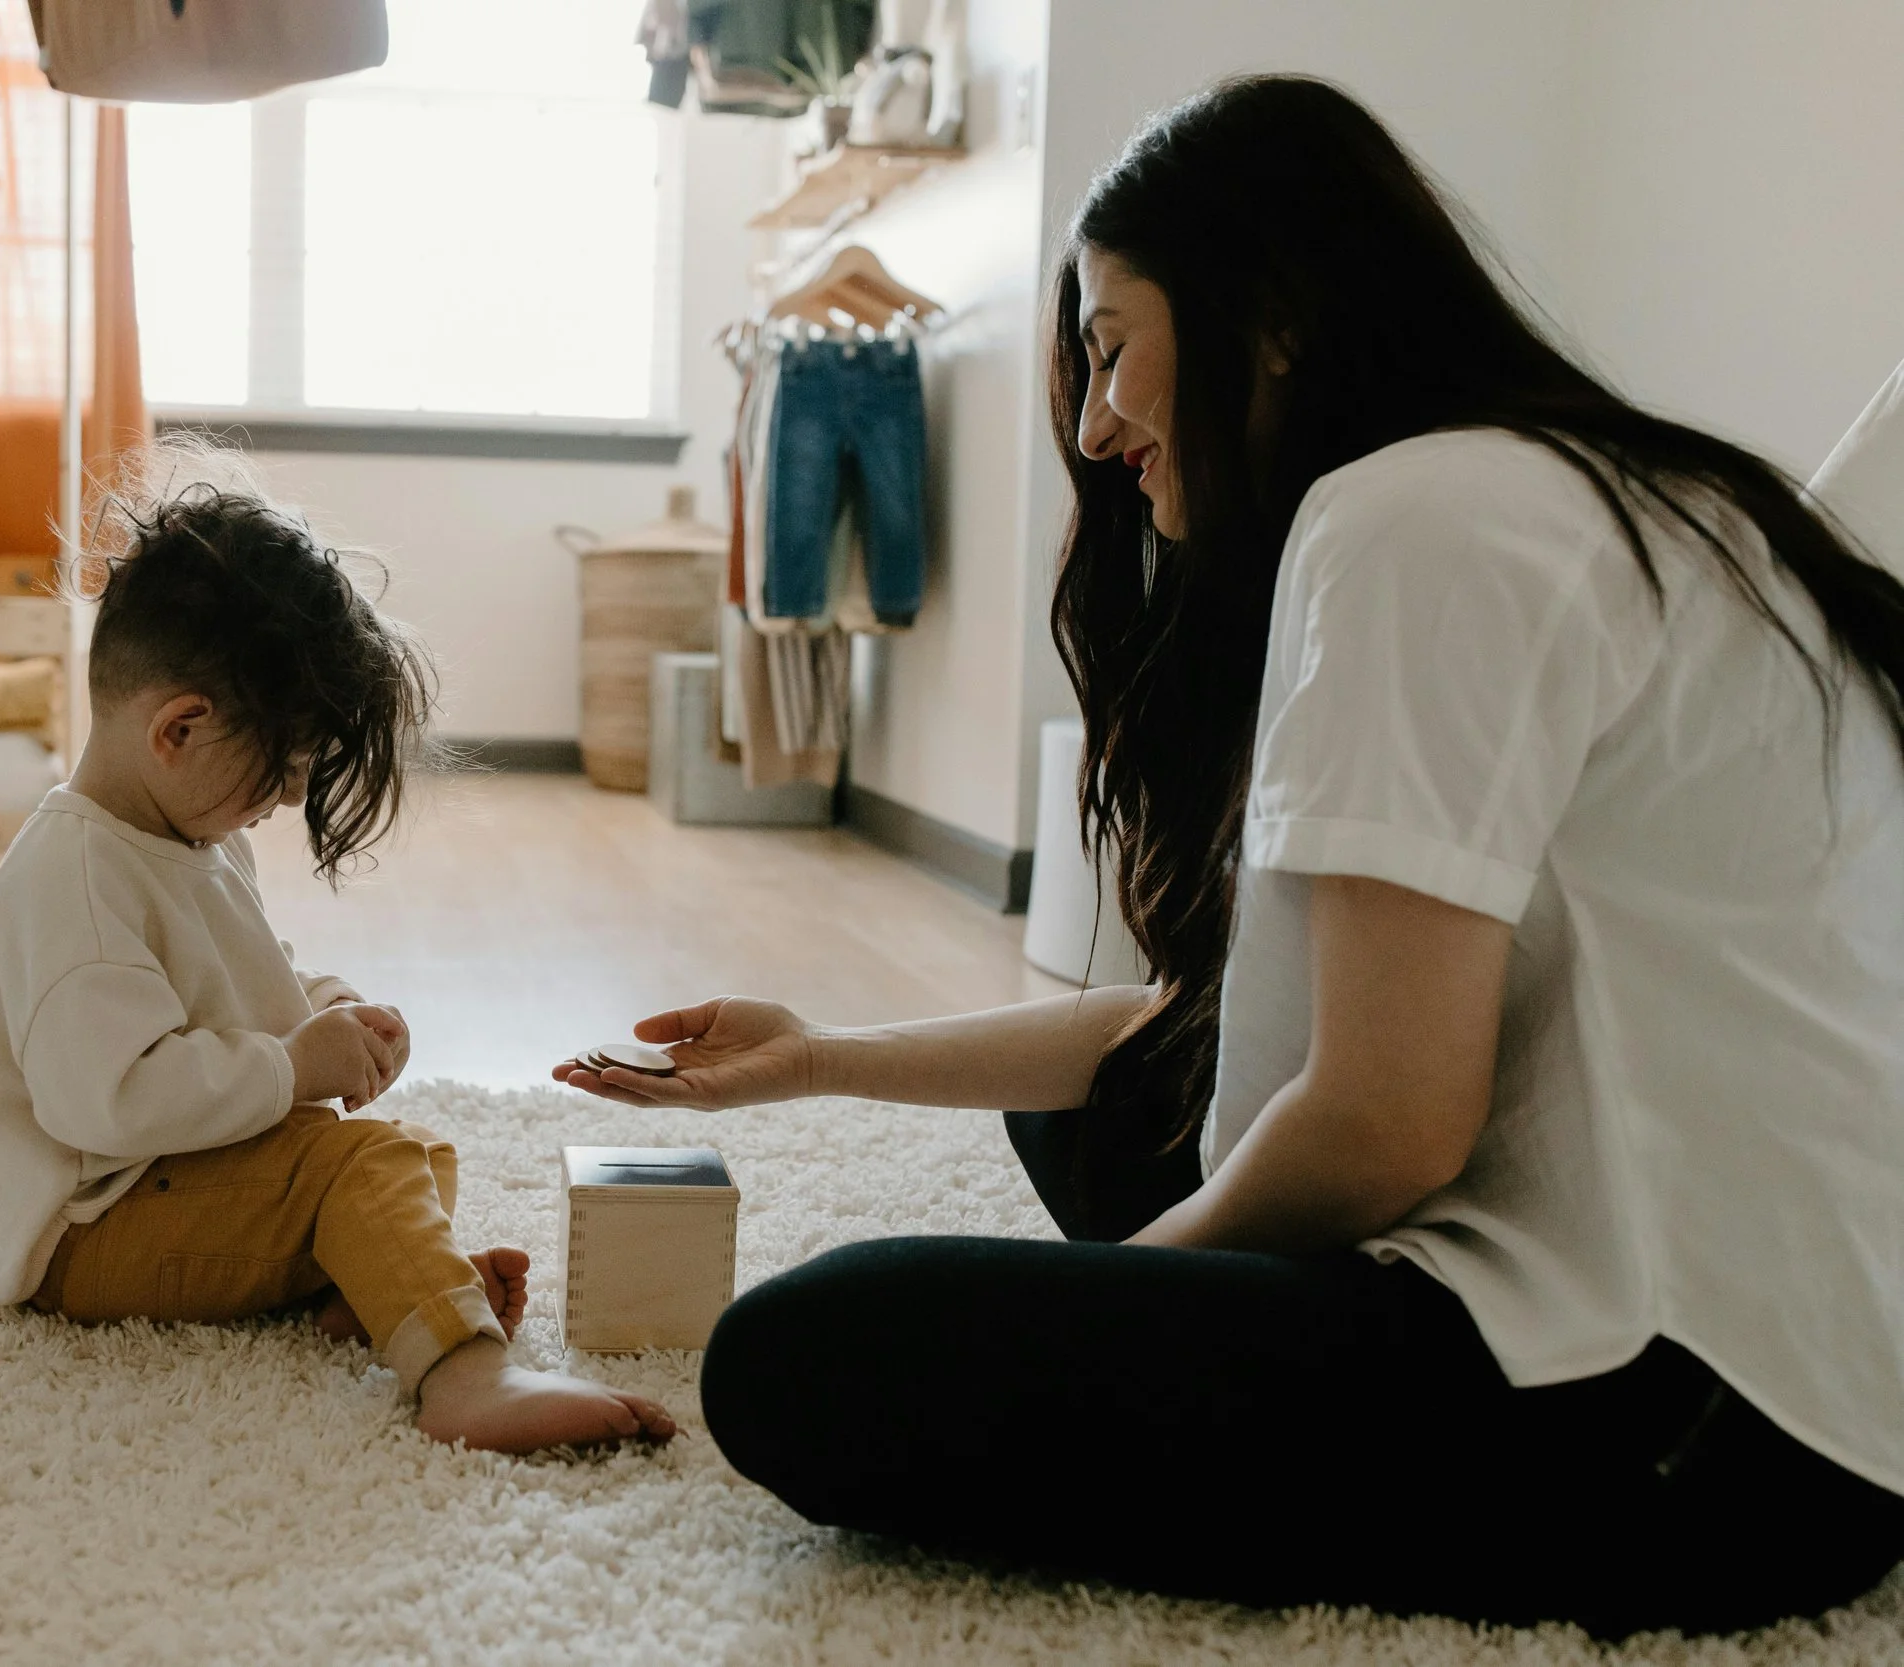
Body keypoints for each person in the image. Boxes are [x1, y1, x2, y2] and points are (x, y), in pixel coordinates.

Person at [559, 75, 1904, 1634]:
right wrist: (821, 1058)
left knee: (799, 1355)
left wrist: (1142, 1288)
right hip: (1805, 1370)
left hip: (1693, 1429)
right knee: (1087, 1116)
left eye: (1114, 347)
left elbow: (1387, 1120)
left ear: (1270, 321)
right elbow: (1216, 1020)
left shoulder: (1417, 518)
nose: (1091, 421)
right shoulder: (1586, 491)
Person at [0, 455, 673, 1454]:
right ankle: (465, 1377)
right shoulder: (72, 880)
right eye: (285, 765)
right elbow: (106, 1102)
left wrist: (322, 1007)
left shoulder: (188, 834)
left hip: (159, 1180)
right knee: (361, 1166)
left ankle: (374, 1292)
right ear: (182, 727)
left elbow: (237, 975)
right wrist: (296, 1063)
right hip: (87, 1228)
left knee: (414, 1155)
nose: (290, 797)